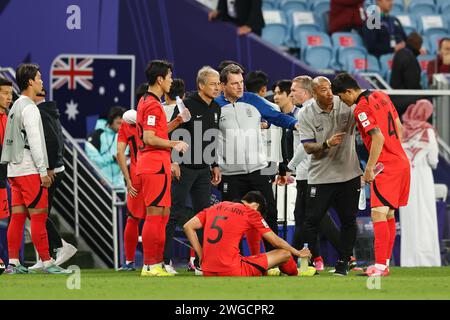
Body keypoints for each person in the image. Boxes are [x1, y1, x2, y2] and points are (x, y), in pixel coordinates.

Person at [331, 72, 410, 276]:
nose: (343, 101)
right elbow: (399, 129)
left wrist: (369, 168)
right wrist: (394, 152)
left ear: (348, 91)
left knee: (377, 214)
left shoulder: (361, 108)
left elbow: (378, 138)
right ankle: (384, 264)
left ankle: (380, 266)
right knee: (389, 214)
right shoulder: (382, 95)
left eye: (341, 96)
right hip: (401, 161)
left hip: (386, 165)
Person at [216, 64, 299, 254]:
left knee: (269, 215)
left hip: (258, 170)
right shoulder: (216, 106)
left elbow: (276, 116)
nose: (240, 87)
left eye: (241, 83)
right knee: (231, 220)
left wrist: (295, 124)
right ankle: (232, 259)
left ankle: (274, 259)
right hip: (230, 174)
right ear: (223, 85)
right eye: (234, 83)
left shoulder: (253, 100)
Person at [1, 64, 71, 274]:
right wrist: (43, 171)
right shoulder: (30, 108)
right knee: (39, 217)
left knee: (18, 217)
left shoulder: (14, 106)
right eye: (39, 78)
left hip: (14, 171)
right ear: (30, 82)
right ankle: (48, 262)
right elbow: (36, 141)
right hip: (30, 170)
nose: (42, 81)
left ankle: (13, 262)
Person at [298, 76, 362, 276]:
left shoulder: (345, 105)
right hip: (321, 177)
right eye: (323, 91)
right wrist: (326, 144)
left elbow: (365, 113)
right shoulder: (306, 113)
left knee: (349, 220)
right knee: (311, 221)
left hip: (349, 174)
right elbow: (308, 147)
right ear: (313, 94)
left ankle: (344, 263)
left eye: (330, 89)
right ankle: (309, 263)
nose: (329, 94)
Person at [163, 66, 222, 274]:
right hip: (184, 168)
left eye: (218, 84)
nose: (217, 87)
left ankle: (201, 262)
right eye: (213, 84)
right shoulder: (187, 105)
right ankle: (164, 261)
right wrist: (174, 162)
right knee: (173, 212)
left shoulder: (216, 108)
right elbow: (176, 134)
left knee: (204, 216)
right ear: (201, 85)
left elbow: (212, 139)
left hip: (203, 170)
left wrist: (214, 164)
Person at [287, 76, 346, 271]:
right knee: (311, 218)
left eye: (294, 90)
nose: (291, 94)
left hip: (308, 173)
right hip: (318, 171)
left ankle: (291, 258)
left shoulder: (306, 112)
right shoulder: (318, 109)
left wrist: (291, 166)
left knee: (311, 218)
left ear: (305, 92)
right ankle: (314, 258)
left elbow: (305, 146)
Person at [183, 191, 316, 277]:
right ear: (256, 206)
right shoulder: (251, 213)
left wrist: (201, 255)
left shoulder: (215, 207)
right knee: (285, 253)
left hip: (207, 271)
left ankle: (267, 270)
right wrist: (298, 253)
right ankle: (296, 273)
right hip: (232, 270)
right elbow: (275, 241)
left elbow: (188, 226)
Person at [136, 60, 188, 277]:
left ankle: (155, 263)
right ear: (160, 79)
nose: (171, 81)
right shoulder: (152, 104)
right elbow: (149, 138)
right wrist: (174, 144)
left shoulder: (148, 101)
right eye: (168, 77)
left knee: (163, 214)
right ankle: (150, 264)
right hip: (153, 164)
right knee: (155, 214)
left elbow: (156, 131)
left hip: (158, 164)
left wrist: (176, 122)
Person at [28, 89, 77, 271]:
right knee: (38, 213)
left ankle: (60, 245)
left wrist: (48, 167)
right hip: (55, 169)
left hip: (51, 171)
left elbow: (54, 141)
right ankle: (45, 254)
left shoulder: (41, 112)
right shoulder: (48, 109)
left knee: (37, 213)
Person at [400, 100, 440, 267]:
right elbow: (434, 160)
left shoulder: (401, 130)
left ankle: (409, 260)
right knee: (426, 217)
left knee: (408, 219)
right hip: (423, 177)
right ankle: (428, 260)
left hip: (406, 177)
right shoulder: (428, 131)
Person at [85, 106, 126, 188]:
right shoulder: (97, 135)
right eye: (118, 123)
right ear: (110, 121)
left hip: (121, 187)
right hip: (102, 184)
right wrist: (112, 158)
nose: (121, 127)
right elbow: (92, 160)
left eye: (123, 124)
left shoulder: (125, 136)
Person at [0, 78, 12, 222]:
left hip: (3, 180)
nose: (9, 97)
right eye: (5, 93)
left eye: (11, 93)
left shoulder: (8, 117)